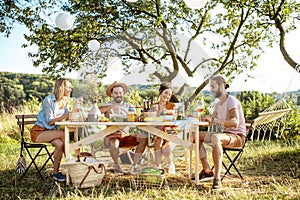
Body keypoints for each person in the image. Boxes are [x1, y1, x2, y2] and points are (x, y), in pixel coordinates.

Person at [192, 75, 246, 189]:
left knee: (215, 137)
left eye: (213, 86)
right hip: (223, 134)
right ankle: (207, 170)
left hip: (237, 137)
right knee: (194, 136)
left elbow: (234, 122)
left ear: (221, 86)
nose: (211, 89)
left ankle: (217, 179)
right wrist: (200, 119)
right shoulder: (218, 104)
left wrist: (213, 120)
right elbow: (212, 122)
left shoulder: (231, 101)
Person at [99, 81, 147, 174]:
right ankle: (117, 165)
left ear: (123, 94)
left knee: (143, 138)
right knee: (114, 143)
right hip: (111, 136)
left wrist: (138, 116)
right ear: (112, 94)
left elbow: (136, 117)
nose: (118, 95)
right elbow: (98, 110)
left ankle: (134, 166)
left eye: (120, 93)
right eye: (116, 93)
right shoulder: (107, 104)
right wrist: (112, 106)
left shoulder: (128, 105)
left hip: (125, 136)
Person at [30, 78, 72, 182]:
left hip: (52, 132)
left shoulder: (64, 101)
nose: (71, 89)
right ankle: (73, 167)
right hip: (39, 132)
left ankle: (56, 173)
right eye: (69, 87)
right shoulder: (48, 100)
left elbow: (67, 117)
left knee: (60, 144)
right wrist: (65, 116)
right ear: (61, 87)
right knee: (64, 134)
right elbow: (50, 121)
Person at [153, 82, 178, 174]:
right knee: (158, 140)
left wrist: (171, 114)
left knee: (166, 149)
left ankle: (170, 164)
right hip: (157, 132)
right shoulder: (154, 106)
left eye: (169, 94)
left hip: (170, 132)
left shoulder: (172, 106)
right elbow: (151, 120)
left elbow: (175, 119)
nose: (167, 96)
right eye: (166, 93)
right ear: (160, 92)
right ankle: (158, 166)